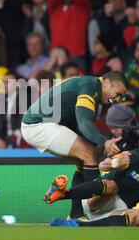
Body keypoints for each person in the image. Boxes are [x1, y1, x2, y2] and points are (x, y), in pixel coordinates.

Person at [21, 71, 128, 220]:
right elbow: (84, 123)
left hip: (38, 124)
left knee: (84, 161)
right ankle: (95, 213)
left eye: (120, 97)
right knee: (89, 154)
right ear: (106, 82)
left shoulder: (89, 85)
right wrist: (104, 142)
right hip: (38, 125)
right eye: (117, 93)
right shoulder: (90, 88)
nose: (116, 99)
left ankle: (76, 214)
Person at [46, 138, 139, 227]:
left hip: (118, 210)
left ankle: (79, 225)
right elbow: (103, 165)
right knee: (113, 186)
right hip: (98, 197)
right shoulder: (138, 156)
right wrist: (116, 163)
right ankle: (63, 194)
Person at [47, 0, 91, 72]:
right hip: (57, 56)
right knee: (57, 85)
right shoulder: (55, 8)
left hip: (76, 55)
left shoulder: (82, 8)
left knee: (78, 85)